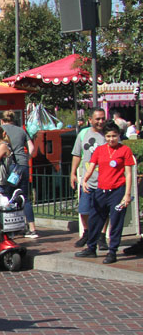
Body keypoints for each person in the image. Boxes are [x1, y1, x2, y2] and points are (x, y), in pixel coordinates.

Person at [76, 121, 136, 264]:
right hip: (100, 191)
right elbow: (91, 167)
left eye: (114, 136)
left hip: (117, 192)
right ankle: (91, 248)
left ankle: (112, 251)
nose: (111, 139)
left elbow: (128, 174)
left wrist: (127, 195)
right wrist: (84, 180)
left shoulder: (125, 150)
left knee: (116, 221)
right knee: (95, 219)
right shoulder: (100, 150)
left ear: (119, 135)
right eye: (108, 136)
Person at [70, 109, 108, 249]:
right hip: (88, 180)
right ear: (90, 120)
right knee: (84, 209)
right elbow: (76, 154)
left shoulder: (108, 134)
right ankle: (87, 232)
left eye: (103, 118)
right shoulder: (83, 134)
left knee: (103, 210)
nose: (100, 121)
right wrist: (73, 173)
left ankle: (101, 236)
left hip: (105, 180)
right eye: (97, 119)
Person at [0, 109, 38, 238]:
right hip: (22, 165)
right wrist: (26, 158)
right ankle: (32, 228)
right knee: (24, 197)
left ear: (2, 120)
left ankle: (12, 228)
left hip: (9, 166)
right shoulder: (22, 130)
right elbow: (32, 148)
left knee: (9, 197)